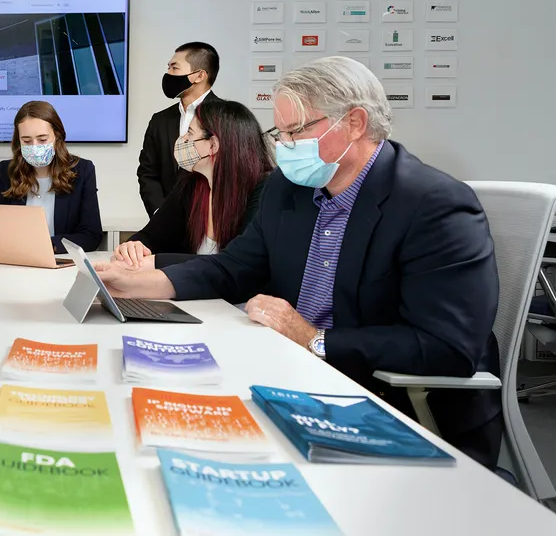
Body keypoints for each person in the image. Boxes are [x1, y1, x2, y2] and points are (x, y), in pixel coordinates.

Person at [98, 57, 503, 468]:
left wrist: (312, 339)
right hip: (289, 373)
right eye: (281, 132)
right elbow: (233, 267)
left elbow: (446, 347)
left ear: (355, 123)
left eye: (296, 131)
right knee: (149, 424)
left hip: (386, 402)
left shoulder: (433, 205)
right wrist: (141, 284)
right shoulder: (288, 189)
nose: (285, 145)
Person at [114, 99, 272, 270]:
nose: (182, 139)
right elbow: (151, 236)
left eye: (189, 133)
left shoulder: (265, 190)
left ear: (213, 145)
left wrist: (154, 262)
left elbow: (236, 262)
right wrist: (132, 247)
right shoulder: (191, 184)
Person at [0, 101, 102, 253]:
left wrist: (49, 246)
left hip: (62, 262)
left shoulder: (82, 170)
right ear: (18, 141)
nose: (35, 146)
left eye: (42, 140)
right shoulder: (6, 171)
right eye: (27, 141)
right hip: (18, 261)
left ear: (57, 136)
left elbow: (91, 235)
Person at [138, 42, 221, 216]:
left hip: (213, 224)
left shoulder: (226, 118)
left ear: (199, 75)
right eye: (168, 67)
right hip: (166, 229)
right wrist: (160, 214)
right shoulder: (159, 120)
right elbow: (147, 173)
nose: (168, 74)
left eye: (174, 68)